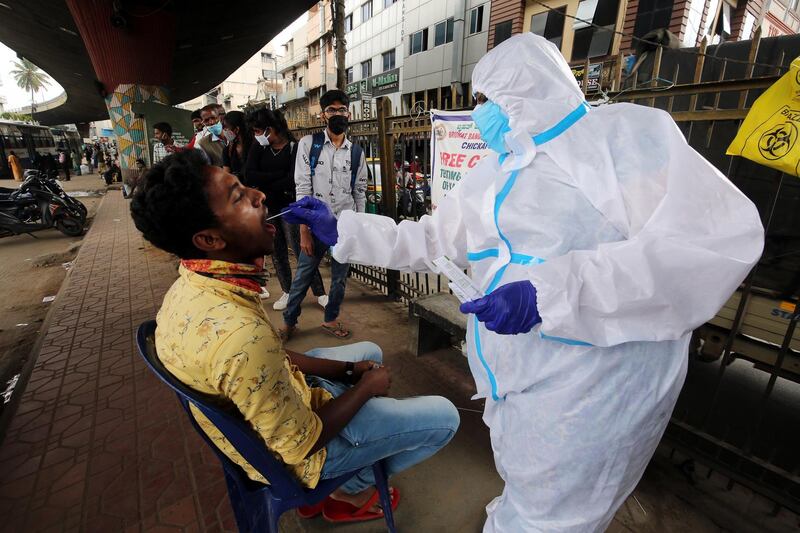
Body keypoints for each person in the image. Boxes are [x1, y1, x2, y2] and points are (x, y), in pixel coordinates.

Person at [285, 34, 765, 532]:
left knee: (558, 514)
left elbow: (709, 242)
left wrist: (549, 293)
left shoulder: (621, 139)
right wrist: (345, 230)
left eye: (488, 100)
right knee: (528, 489)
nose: (481, 114)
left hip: (596, 380)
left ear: (527, 94)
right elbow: (437, 240)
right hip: (518, 373)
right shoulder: (497, 169)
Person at [129, 150, 459, 523]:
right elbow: (300, 444)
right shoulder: (240, 334)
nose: (260, 196)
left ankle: (359, 436)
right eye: (239, 197)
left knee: (370, 351)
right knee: (446, 417)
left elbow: (272, 360)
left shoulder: (197, 282)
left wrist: (350, 372)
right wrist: (365, 389)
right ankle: (349, 489)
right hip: (295, 456)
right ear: (208, 239)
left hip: (272, 408)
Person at [280, 89, 367, 341]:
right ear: (322, 115)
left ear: (348, 113)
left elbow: (360, 192)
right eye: (332, 110)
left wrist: (358, 229)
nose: (337, 114)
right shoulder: (309, 145)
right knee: (303, 276)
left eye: (342, 109)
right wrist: (304, 232)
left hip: (345, 226)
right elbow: (303, 190)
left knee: (339, 280)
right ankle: (288, 323)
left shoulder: (356, 153)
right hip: (316, 226)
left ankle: (330, 319)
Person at [245, 108, 328, 309]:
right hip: (267, 209)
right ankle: (288, 291)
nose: (257, 136)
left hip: (290, 208)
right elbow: (249, 175)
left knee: (302, 249)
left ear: (271, 129)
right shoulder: (259, 148)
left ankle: (320, 292)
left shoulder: (294, 148)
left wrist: (266, 181)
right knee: (277, 252)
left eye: (259, 131)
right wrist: (278, 176)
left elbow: (292, 181)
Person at [220, 110, 251, 179]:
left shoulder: (255, 147)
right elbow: (226, 175)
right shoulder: (227, 150)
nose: (224, 131)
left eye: (226, 127)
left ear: (237, 129)